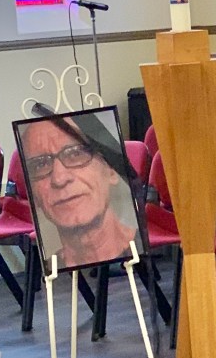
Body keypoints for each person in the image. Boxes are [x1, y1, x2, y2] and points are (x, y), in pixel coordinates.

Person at [20, 115, 139, 270]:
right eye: (40, 165)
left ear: (111, 170)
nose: (59, 179)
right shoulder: (52, 269)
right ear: (33, 193)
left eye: (75, 154)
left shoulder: (140, 246)